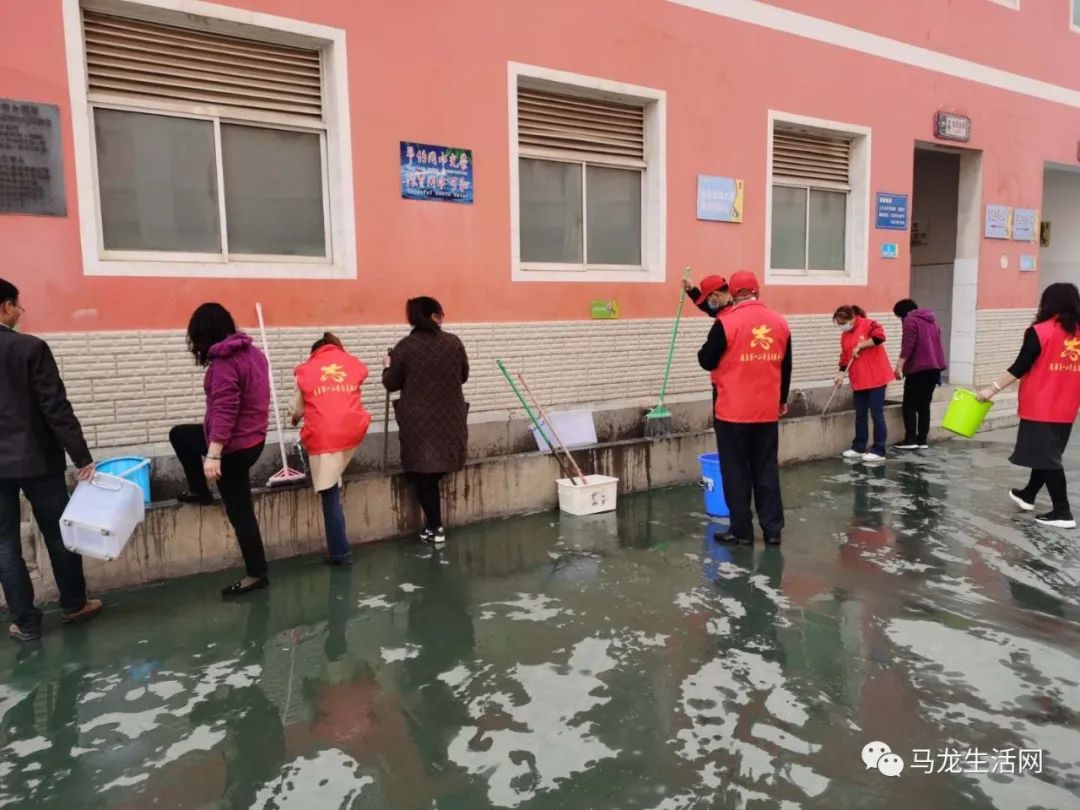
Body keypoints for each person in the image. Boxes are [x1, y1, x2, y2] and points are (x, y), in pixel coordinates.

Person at [0, 279, 103, 642]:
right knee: (59, 532)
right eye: (17, 305)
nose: (20, 312)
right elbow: (54, 407)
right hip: (37, 460)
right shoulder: (31, 349)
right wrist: (81, 456)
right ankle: (74, 604)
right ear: (4, 307)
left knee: (4, 544)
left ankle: (26, 624)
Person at [169, 303, 271, 596]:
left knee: (240, 512)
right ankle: (199, 490)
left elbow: (226, 410)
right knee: (181, 435)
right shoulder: (253, 353)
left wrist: (213, 455)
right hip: (253, 439)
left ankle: (257, 574)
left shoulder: (226, 361)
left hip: (232, 447)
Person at [697, 271, 792, 545]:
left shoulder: (726, 323)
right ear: (756, 292)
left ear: (733, 293)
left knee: (736, 471)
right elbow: (785, 366)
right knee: (766, 468)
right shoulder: (780, 323)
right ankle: (773, 531)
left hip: (732, 412)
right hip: (766, 411)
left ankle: (742, 531)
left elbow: (707, 360)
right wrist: (781, 400)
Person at [977, 282, 1080, 529]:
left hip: (1041, 406)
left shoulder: (1041, 331)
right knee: (1046, 455)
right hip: (1067, 408)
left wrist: (991, 389)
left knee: (1048, 460)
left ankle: (1062, 512)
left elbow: (1020, 366)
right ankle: (1028, 494)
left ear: (1048, 303)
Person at [382, 297, 469, 547]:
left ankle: (435, 527)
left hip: (418, 423)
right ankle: (435, 526)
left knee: (424, 474)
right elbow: (463, 375)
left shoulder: (405, 347)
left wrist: (387, 367)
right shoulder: (453, 343)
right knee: (433, 471)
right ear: (434, 316)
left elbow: (391, 384)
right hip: (449, 418)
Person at [289, 332, 372, 566]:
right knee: (334, 473)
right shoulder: (350, 363)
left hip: (325, 436)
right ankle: (334, 479)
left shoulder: (307, 369)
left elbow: (296, 407)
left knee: (329, 494)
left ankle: (340, 553)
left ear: (315, 351)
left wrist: (294, 417)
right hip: (354, 429)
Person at [833, 305, 895, 463]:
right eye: (838, 324)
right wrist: (840, 374)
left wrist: (861, 345)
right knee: (860, 414)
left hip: (876, 378)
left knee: (876, 413)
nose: (841, 326)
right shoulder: (845, 335)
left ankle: (879, 449)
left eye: (842, 323)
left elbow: (880, 337)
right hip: (859, 379)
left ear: (852, 318)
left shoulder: (868, 324)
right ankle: (858, 447)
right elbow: (844, 356)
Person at [892, 299, 947, 450]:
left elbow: (908, 344)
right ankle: (922, 440)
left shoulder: (910, 320)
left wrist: (899, 365)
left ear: (903, 313)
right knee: (924, 405)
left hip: (918, 369)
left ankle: (910, 440)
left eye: (899, 317)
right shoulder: (932, 320)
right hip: (934, 369)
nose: (901, 320)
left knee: (909, 405)